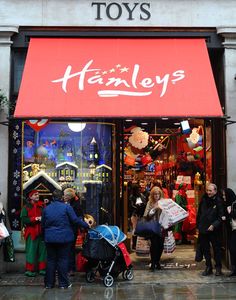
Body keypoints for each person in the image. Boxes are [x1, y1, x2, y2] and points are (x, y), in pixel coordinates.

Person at [41, 189, 90, 289]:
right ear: (62, 197)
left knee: (50, 260)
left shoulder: (46, 209)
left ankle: (49, 284)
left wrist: (44, 237)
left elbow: (43, 225)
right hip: (64, 238)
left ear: (52, 197)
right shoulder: (67, 207)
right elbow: (75, 220)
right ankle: (63, 284)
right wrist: (86, 225)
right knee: (63, 260)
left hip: (50, 238)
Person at [196, 183, 225, 276]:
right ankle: (208, 267)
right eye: (207, 190)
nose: (208, 192)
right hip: (203, 229)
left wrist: (214, 225)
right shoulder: (203, 199)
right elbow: (199, 214)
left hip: (214, 230)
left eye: (210, 191)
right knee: (205, 249)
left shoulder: (219, 201)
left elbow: (221, 216)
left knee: (216, 249)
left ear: (215, 191)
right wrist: (198, 226)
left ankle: (218, 268)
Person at [20, 190, 46, 277]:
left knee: (43, 252)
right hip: (31, 232)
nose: (37, 196)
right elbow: (24, 219)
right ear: (30, 197)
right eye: (35, 194)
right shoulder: (26, 207)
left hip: (41, 233)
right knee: (31, 252)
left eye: (38, 194)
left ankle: (42, 269)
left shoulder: (42, 206)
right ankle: (29, 270)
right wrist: (35, 219)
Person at [143, 186, 164, 272]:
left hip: (162, 226)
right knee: (154, 245)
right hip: (152, 226)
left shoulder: (163, 202)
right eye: (155, 194)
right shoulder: (150, 203)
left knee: (161, 246)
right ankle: (153, 262)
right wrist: (154, 209)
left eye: (158, 194)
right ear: (152, 195)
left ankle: (157, 260)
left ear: (160, 194)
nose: (156, 196)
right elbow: (146, 215)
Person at [63, 188, 84, 276]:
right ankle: (69, 268)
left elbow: (75, 218)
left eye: (65, 195)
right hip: (71, 229)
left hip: (71, 229)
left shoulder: (74, 205)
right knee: (69, 249)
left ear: (68, 196)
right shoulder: (73, 203)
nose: (63, 197)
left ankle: (70, 268)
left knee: (70, 249)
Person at [222, 188, 236, 276]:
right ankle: (234, 269)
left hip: (235, 230)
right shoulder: (227, 204)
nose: (223, 197)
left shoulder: (234, 203)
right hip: (231, 230)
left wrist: (229, 212)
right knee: (232, 249)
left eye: (224, 195)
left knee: (233, 248)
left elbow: (234, 216)